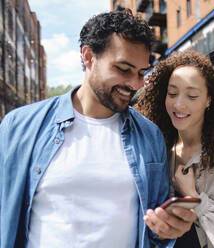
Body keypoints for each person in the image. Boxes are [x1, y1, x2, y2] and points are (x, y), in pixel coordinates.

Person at [0, 10, 195, 248]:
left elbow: (155, 234)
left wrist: (169, 230)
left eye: (142, 73)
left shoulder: (150, 135)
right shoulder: (19, 127)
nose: (135, 84)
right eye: (124, 69)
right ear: (89, 57)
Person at [137, 50, 214, 248]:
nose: (179, 104)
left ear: (208, 100)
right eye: (172, 94)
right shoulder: (160, 152)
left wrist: (195, 198)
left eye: (192, 96)